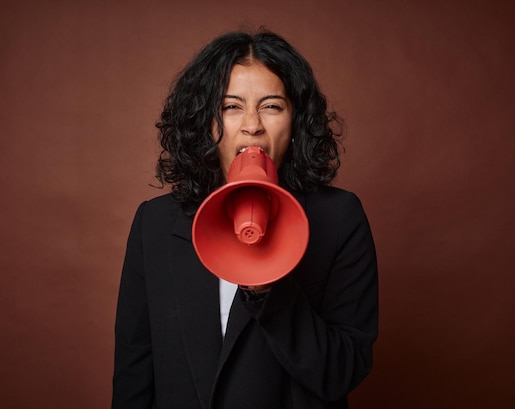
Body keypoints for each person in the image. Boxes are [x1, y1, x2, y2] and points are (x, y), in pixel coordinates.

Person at [112, 29, 378, 409]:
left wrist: (271, 290)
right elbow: (134, 372)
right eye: (230, 106)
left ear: (296, 120)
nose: (252, 124)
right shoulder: (154, 223)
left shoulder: (339, 218)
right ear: (204, 121)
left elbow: (343, 370)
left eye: (271, 106)